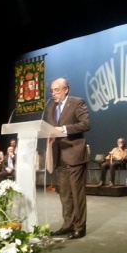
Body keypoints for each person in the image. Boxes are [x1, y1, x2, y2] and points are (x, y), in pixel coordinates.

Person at [46, 77, 91, 240]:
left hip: (74, 154)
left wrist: (63, 129)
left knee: (76, 193)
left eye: (57, 90)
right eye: (52, 90)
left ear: (66, 89)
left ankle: (80, 227)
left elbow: (85, 124)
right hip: (59, 156)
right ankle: (68, 225)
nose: (53, 93)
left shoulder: (77, 102)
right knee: (64, 194)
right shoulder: (51, 107)